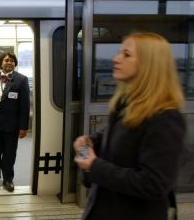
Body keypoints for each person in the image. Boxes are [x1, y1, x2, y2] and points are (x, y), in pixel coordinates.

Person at [73, 32, 186, 220]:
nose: (116, 59)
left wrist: (94, 165)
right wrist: (87, 143)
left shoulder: (165, 118)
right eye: (119, 52)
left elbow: (154, 184)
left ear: (149, 65)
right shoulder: (124, 105)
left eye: (126, 54)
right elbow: (109, 141)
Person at [0, 52, 30, 192]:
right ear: (1, 63)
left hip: (12, 125)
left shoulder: (21, 80)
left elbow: (24, 106)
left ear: (15, 64)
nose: (9, 62)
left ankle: (8, 178)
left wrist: (23, 127)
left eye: (12, 60)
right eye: (7, 60)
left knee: (9, 153)